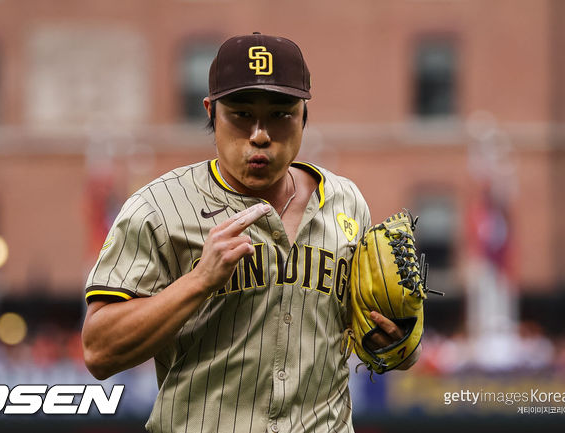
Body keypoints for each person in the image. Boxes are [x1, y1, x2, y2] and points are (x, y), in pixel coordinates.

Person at [81, 32, 419, 433]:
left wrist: (394, 340)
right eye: (241, 114)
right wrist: (198, 282)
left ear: (304, 115)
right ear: (211, 111)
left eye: (281, 114)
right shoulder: (158, 208)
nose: (260, 133)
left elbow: (394, 351)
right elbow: (99, 351)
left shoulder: (346, 202)